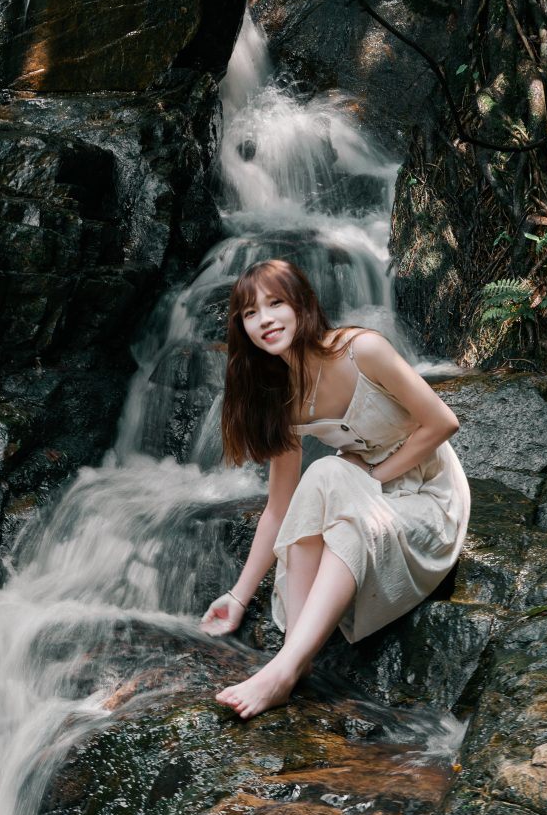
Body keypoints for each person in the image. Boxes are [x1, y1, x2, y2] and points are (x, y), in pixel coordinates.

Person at [199, 258, 470, 720]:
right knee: (324, 477)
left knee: (336, 490)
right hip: (363, 497)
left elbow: (443, 422)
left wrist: (376, 475)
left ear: (302, 305)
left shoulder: (360, 350)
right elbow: (280, 508)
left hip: (428, 497)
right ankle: (294, 658)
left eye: (275, 303)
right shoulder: (282, 397)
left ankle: (285, 670)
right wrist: (239, 596)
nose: (264, 320)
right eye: (249, 313)